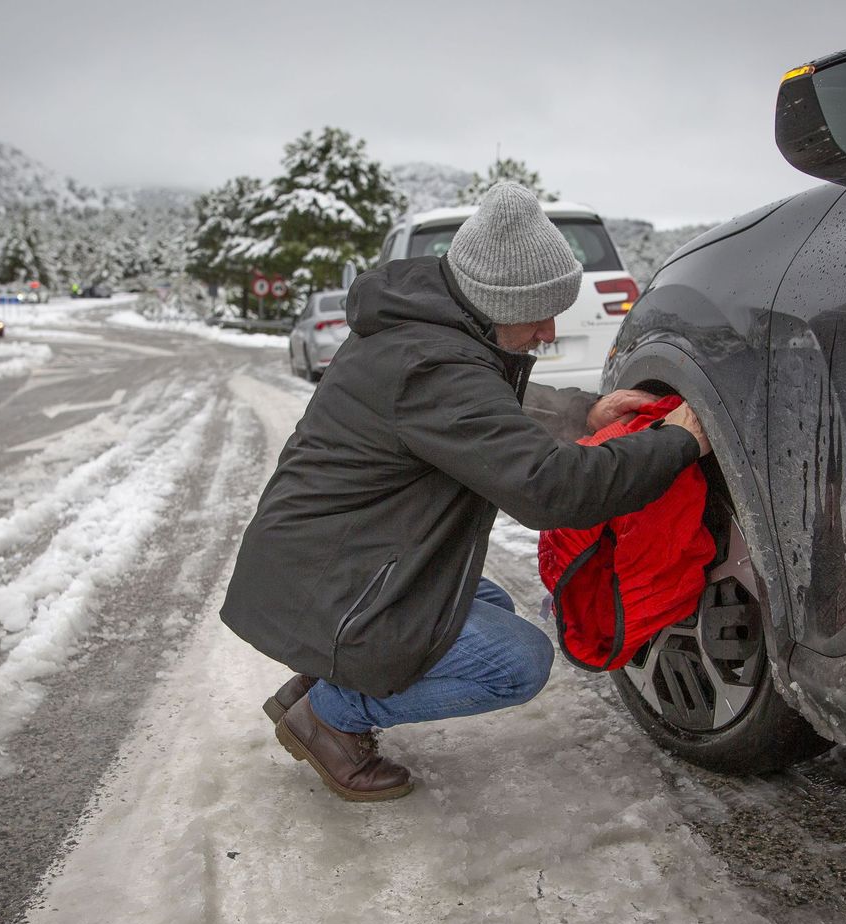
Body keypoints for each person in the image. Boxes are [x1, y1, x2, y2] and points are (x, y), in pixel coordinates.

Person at [220, 182, 709, 802]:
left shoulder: (423, 334)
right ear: (496, 302)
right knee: (517, 662)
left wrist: (587, 413)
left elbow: (482, 413)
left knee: (485, 604)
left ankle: (320, 682)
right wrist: (676, 444)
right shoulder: (433, 364)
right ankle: (330, 716)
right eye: (540, 311)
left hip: (326, 563)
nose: (549, 330)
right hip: (332, 578)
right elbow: (550, 489)